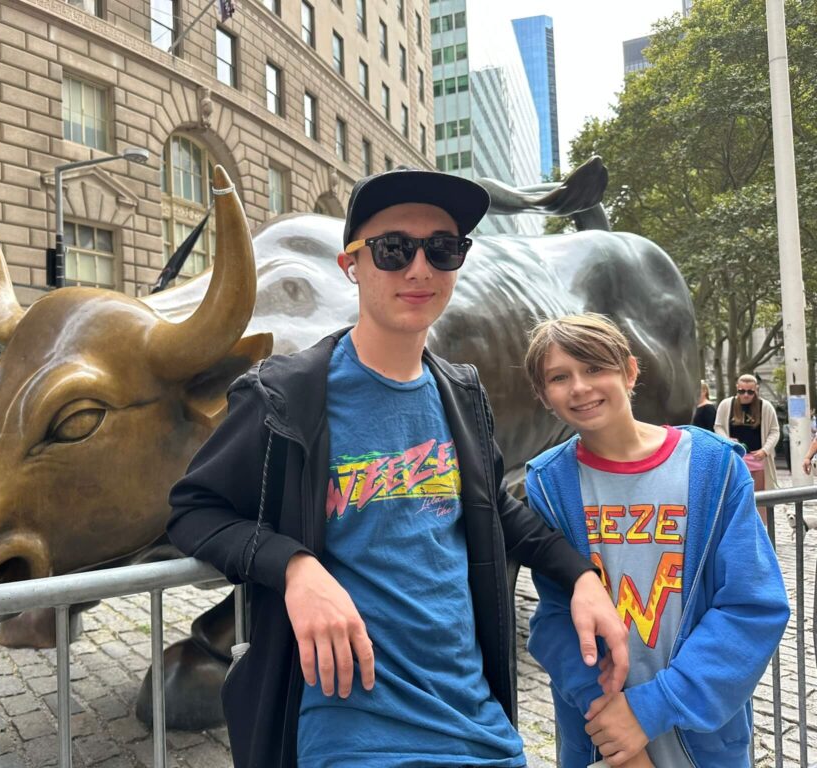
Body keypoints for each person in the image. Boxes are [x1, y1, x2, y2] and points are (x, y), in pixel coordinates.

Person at [167, 167, 630, 767]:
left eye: (442, 249)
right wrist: (296, 568)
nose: (419, 269)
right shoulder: (284, 394)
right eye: (393, 249)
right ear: (351, 266)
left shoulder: (461, 393)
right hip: (353, 730)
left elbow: (496, 508)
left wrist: (582, 577)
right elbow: (194, 509)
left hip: (477, 721)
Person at [522, 314, 789, 768]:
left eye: (594, 368)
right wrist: (612, 725)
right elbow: (553, 616)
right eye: (559, 377)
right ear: (544, 395)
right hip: (599, 738)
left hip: (703, 738)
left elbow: (752, 606)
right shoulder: (548, 483)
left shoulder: (714, 467)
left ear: (629, 372)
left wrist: (651, 710)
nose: (580, 387)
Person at [714, 374, 779, 521]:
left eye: (750, 392)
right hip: (736, 458)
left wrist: (765, 450)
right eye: (742, 391)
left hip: (758, 459)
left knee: (759, 497)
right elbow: (718, 426)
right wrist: (728, 441)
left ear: (756, 390)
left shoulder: (765, 407)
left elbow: (774, 431)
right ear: (737, 389)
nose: (746, 395)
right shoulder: (726, 405)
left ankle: (761, 526)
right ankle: (737, 525)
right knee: (734, 494)